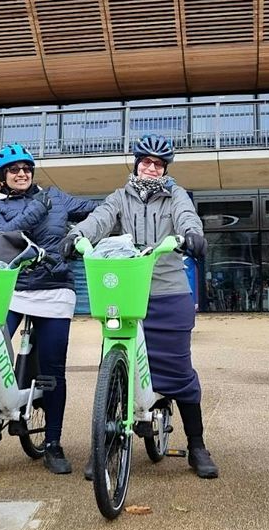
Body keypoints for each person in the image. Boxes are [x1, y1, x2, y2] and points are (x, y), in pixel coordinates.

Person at [61, 134, 218, 479]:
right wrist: (77, 235)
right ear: (136, 164)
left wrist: (192, 235)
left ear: (164, 169)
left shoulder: (175, 195)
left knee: (179, 370)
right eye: (145, 162)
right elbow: (99, 219)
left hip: (168, 290)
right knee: (113, 366)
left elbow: (186, 216)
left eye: (157, 163)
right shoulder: (120, 197)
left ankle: (197, 445)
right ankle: (103, 444)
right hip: (127, 291)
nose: (150, 168)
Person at [0, 143, 98, 474]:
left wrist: (87, 231)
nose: (21, 174)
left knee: (53, 370)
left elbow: (97, 211)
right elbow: (3, 236)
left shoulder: (56, 196)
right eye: (14, 170)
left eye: (26, 169)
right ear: (2, 177)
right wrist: (38, 209)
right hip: (13, 289)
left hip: (56, 288)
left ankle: (54, 444)